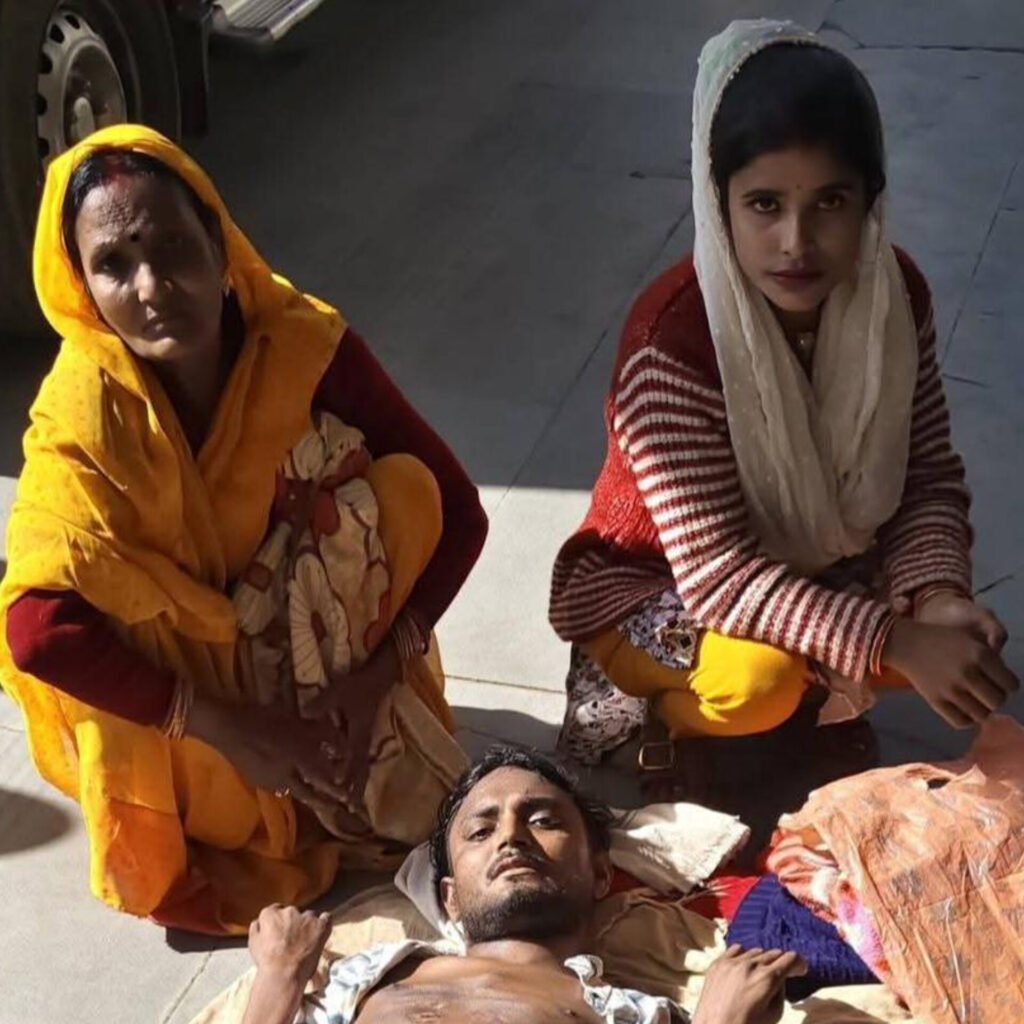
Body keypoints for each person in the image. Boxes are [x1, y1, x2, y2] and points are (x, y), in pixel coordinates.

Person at [0, 125, 487, 934]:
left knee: (401, 493)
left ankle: (335, 747)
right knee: (107, 637)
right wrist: (229, 730)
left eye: (173, 248)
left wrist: (376, 679)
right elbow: (35, 629)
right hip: (198, 708)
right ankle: (235, 805)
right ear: (81, 288)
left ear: (221, 247)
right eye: (114, 264)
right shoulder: (82, 414)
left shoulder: (302, 344)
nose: (152, 287)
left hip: (324, 657)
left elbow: (457, 509)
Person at [547, 19, 1018, 779]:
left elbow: (926, 476)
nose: (797, 242)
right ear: (718, 203)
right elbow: (718, 577)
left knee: (952, 636)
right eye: (765, 204)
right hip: (661, 585)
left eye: (830, 202)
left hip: (819, 565)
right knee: (758, 685)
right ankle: (654, 715)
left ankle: (821, 687)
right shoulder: (673, 342)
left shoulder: (896, 298)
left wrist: (936, 598)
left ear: (870, 203)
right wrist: (895, 640)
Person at [241, 746, 807, 1024]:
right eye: (480, 831)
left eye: (542, 820)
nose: (510, 837)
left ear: (601, 874)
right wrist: (279, 976)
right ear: (449, 898)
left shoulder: (631, 1014)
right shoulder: (368, 975)